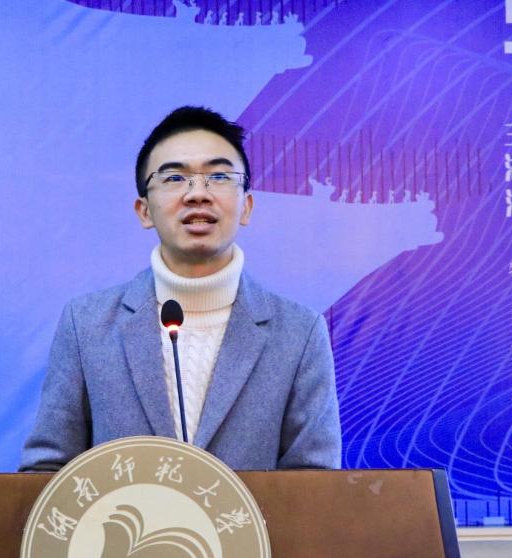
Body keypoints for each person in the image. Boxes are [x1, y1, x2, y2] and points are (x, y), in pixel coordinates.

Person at [20, 106, 340, 471]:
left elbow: (315, 484)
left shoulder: (299, 333)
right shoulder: (87, 325)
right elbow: (47, 472)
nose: (198, 194)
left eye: (219, 176)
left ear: (246, 207)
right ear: (144, 210)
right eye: (174, 178)